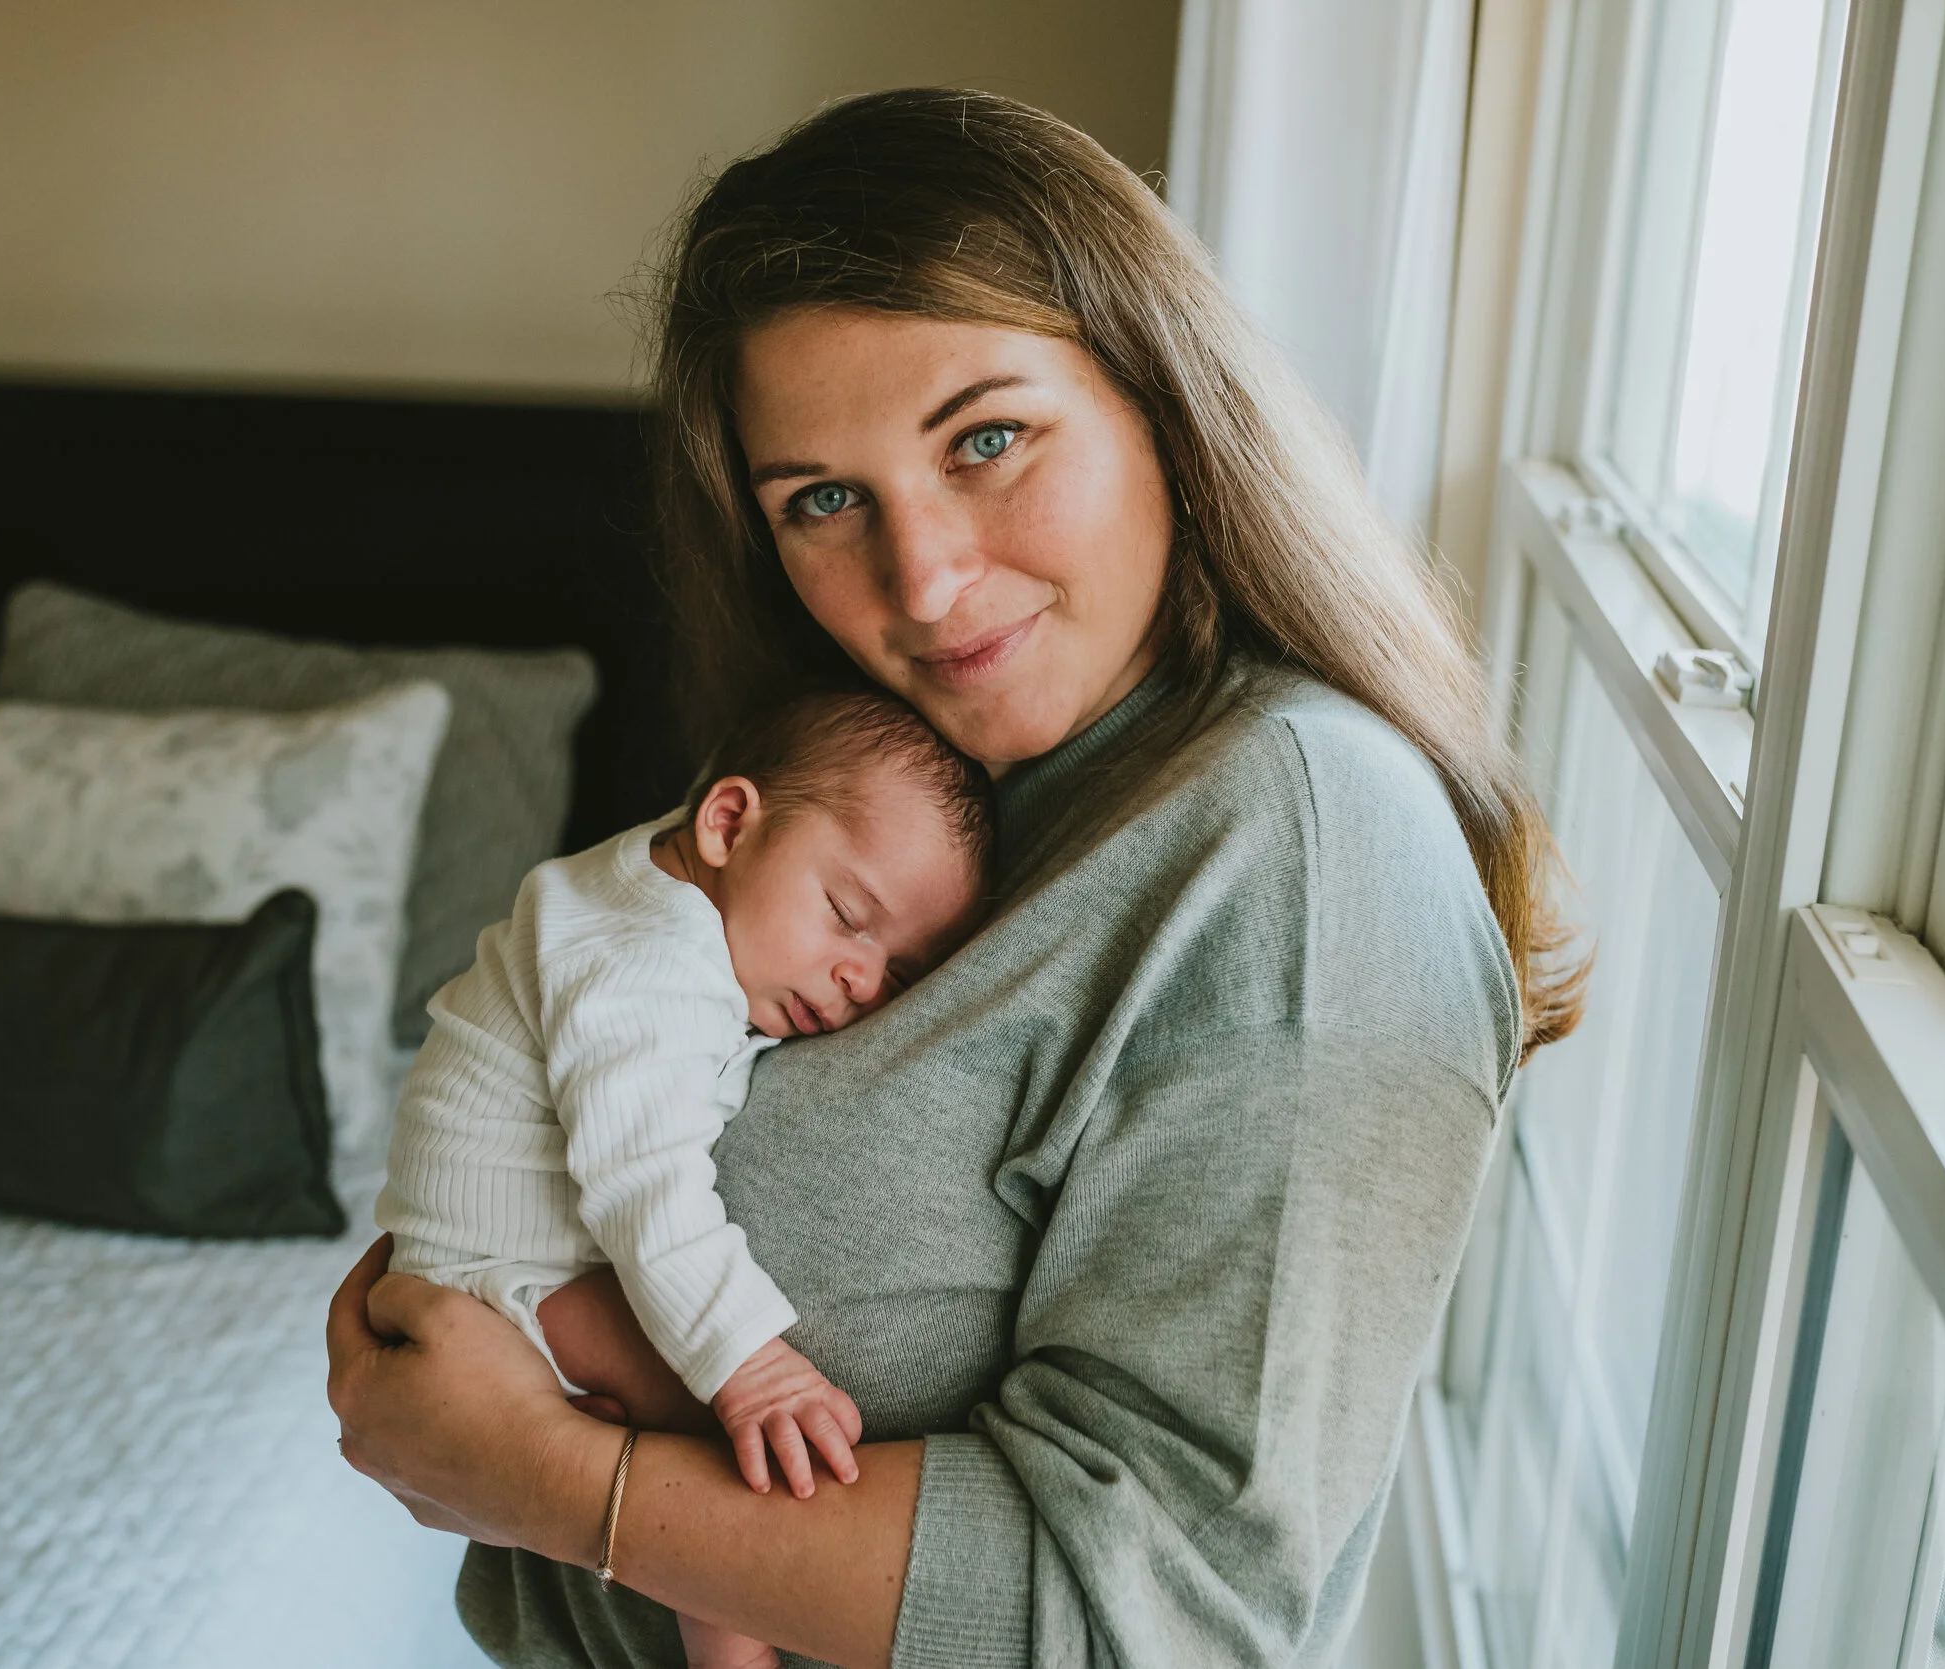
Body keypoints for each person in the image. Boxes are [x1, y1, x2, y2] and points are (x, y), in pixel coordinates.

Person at [328, 87, 1584, 1668]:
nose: (918, 578)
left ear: (1165, 404)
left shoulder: (1297, 840)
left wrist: (547, 1478)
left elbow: (1170, 1615)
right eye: (822, 502)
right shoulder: (934, 793)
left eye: (987, 438)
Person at [377, 689, 994, 1669]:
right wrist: (752, 1367)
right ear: (727, 821)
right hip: (498, 1282)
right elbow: (644, 1183)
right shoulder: (644, 963)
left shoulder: (661, 886)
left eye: (898, 969)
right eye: (845, 915)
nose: (862, 981)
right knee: (710, 1442)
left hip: (504, 1267)